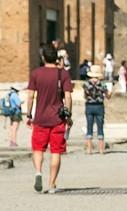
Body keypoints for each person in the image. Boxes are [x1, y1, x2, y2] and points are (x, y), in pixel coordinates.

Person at [24, 43, 73, 194]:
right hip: (57, 119)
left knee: (38, 149)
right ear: (56, 57)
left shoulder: (36, 74)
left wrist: (28, 114)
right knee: (55, 152)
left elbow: (31, 95)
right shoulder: (63, 74)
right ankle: (52, 184)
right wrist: (68, 115)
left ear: (42, 57)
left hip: (40, 119)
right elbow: (68, 96)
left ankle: (38, 172)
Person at [83, 64, 111, 155]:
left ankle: (89, 149)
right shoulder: (102, 84)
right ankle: (101, 149)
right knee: (100, 127)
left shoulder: (86, 84)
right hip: (99, 106)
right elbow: (108, 96)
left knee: (89, 127)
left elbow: (84, 96)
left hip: (89, 106)